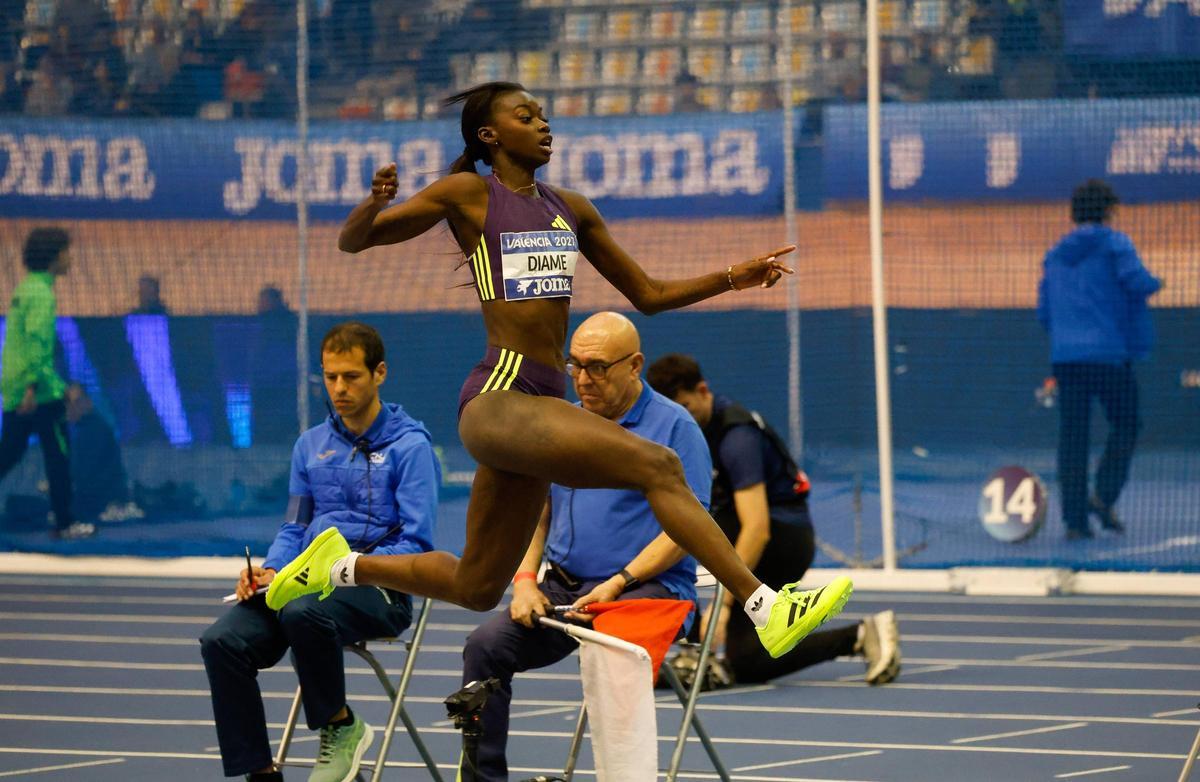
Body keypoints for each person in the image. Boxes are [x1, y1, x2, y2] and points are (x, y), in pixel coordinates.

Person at [266, 81, 852, 664]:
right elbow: (354, 241)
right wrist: (373, 203)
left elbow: (646, 294)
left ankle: (337, 566)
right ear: (490, 135)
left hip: (537, 405)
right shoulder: (468, 194)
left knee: (476, 587)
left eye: (544, 114)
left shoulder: (571, 209)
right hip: (499, 397)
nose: (544, 124)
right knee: (659, 465)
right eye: (527, 116)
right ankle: (764, 607)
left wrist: (732, 277)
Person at [460, 312, 708, 781]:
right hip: (565, 590)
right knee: (485, 647)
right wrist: (526, 581)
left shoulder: (676, 429)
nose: (582, 379)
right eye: (574, 365)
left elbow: (687, 530)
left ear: (634, 365)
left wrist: (618, 583)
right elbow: (537, 511)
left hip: (647, 591)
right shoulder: (563, 421)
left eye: (597, 367)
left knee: (610, 648)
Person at [199, 322, 439, 782]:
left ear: (380, 373)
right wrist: (270, 569)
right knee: (221, 641)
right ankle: (261, 772)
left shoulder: (412, 448)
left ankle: (339, 727)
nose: (339, 388)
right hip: (305, 583)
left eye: (351, 376)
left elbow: (417, 544)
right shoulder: (309, 446)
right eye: (330, 377)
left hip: (379, 587)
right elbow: (295, 524)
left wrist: (350, 568)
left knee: (303, 611)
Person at [647, 354, 901, 686]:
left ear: (703, 390)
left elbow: (756, 527)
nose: (683, 416)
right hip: (739, 531)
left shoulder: (737, 437)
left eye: (686, 405)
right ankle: (860, 635)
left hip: (783, 540)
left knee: (692, 528)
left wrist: (723, 606)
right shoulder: (683, 430)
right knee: (749, 661)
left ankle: (857, 634)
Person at [1037, 179, 1162, 540]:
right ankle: (1103, 495)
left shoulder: (1055, 255)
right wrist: (1158, 283)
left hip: (1067, 359)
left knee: (1072, 438)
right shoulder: (1115, 244)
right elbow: (1136, 282)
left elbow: (1044, 313)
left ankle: (1075, 523)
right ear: (1108, 211)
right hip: (1108, 357)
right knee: (1126, 424)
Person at [0, 228, 91, 539]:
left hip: (16, 388)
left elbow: (20, 345)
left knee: (8, 454)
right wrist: (36, 389)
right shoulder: (41, 295)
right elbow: (37, 347)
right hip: (37, 393)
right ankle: (65, 524)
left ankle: (65, 522)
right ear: (54, 256)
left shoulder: (25, 289)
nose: (70, 257)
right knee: (58, 456)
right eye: (66, 251)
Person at [64, 383, 142, 523]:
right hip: (95, 496)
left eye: (77, 402)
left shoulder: (94, 430)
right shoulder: (82, 430)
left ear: (88, 402)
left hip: (102, 499)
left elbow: (87, 472)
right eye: (68, 403)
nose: (72, 407)